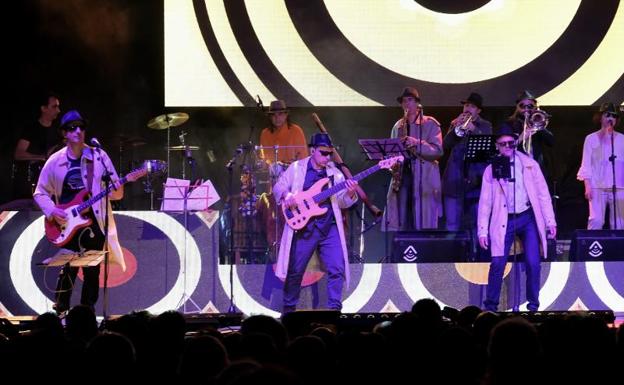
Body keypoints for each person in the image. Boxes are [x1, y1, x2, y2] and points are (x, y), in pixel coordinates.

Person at [33, 109, 127, 315]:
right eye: (72, 127)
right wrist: (51, 211)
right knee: (69, 267)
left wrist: (119, 186)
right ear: (64, 133)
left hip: (94, 221)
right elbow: (39, 192)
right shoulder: (55, 161)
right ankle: (61, 311)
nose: (78, 131)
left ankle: (87, 314)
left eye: (81, 127)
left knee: (93, 270)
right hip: (67, 222)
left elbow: (117, 194)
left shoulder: (98, 156)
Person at [273, 133, 358, 313]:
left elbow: (342, 202)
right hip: (305, 227)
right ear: (312, 151)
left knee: (337, 268)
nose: (327, 157)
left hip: (329, 227)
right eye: (323, 153)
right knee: (295, 270)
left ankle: (334, 309)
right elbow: (279, 186)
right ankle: (288, 312)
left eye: (329, 153)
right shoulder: (297, 168)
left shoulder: (335, 174)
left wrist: (350, 194)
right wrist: (287, 196)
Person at [477, 128, 556, 311]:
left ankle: (533, 306)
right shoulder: (491, 170)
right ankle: (490, 307)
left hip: (527, 217)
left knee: (533, 262)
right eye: (503, 144)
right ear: (497, 146)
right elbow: (485, 202)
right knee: (498, 263)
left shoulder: (529, 164)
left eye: (510, 143)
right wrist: (482, 230)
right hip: (504, 219)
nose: (507, 147)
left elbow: (543, 194)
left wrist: (550, 221)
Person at [382, 87, 443, 231]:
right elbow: (392, 150)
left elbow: (438, 151)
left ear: (417, 103)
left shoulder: (430, 123)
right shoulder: (398, 126)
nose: (406, 104)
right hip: (403, 176)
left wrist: (417, 143)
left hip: (424, 177)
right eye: (404, 101)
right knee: (402, 218)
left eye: (410, 100)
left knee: (423, 220)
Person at [442, 92, 493, 234]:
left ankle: (476, 255)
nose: (467, 108)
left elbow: (488, 147)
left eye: (472, 106)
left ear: (478, 110)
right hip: (454, 180)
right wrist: (455, 128)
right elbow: (445, 145)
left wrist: (473, 129)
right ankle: (453, 254)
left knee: (477, 225)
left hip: (476, 182)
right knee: (452, 224)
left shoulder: (485, 125)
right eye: (466, 105)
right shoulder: (455, 123)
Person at [577, 102, 623, 230]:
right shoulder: (591, 139)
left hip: (619, 187)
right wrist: (587, 186)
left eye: (613, 116)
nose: (610, 118)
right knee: (596, 221)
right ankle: (592, 249)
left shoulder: (622, 139)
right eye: (607, 115)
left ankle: (619, 249)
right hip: (597, 186)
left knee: (619, 224)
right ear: (600, 117)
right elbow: (585, 163)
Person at [12, 91, 62, 200]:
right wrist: (43, 157)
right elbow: (18, 154)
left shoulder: (58, 132)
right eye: (54, 107)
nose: (58, 110)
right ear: (43, 108)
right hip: (30, 185)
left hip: (53, 186)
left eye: (58, 107)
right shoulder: (31, 129)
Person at [499, 90, 554, 179]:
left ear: (535, 107)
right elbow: (504, 149)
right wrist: (521, 137)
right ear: (517, 107)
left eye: (530, 106)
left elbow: (551, 142)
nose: (526, 109)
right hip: (516, 170)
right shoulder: (508, 124)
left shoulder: (538, 123)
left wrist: (540, 125)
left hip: (536, 170)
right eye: (522, 106)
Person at [258, 100, 308, 165]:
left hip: (292, 171)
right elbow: (263, 159)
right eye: (273, 115)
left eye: (280, 114)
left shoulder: (296, 130)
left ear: (286, 115)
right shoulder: (265, 133)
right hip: (272, 173)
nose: (277, 117)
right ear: (270, 117)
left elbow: (303, 157)